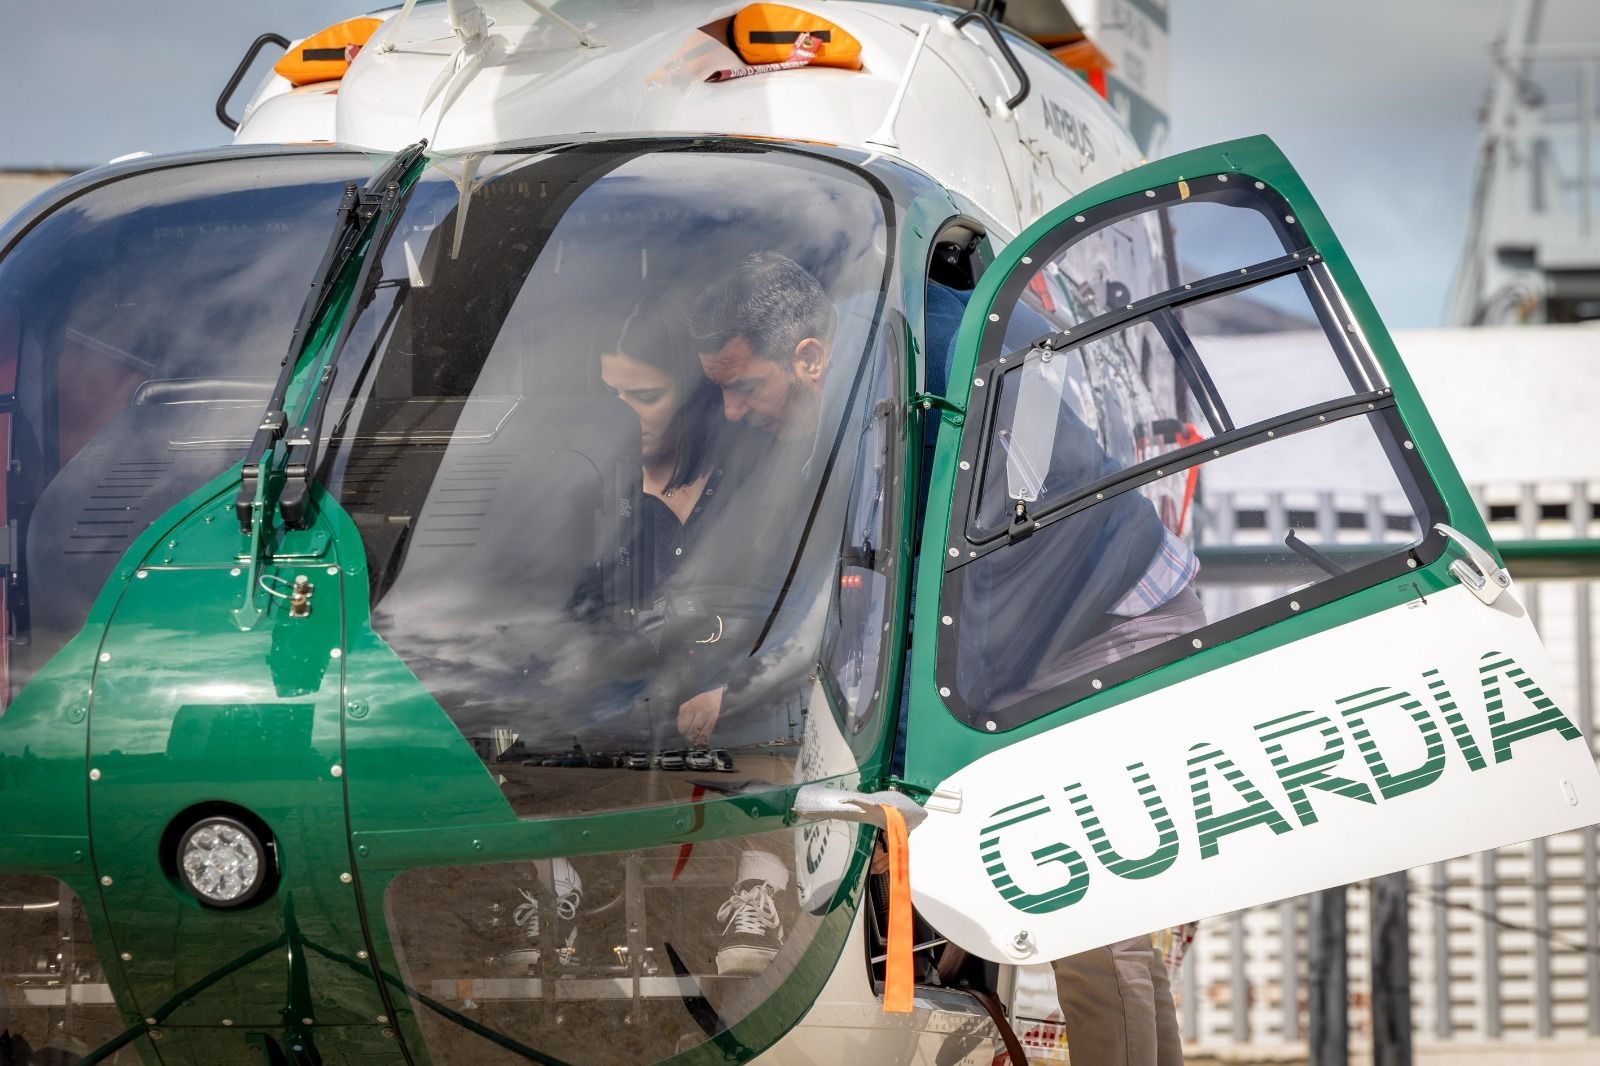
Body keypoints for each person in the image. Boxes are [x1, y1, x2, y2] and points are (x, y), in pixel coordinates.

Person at [924, 279, 1191, 1066]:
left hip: (1112, 619)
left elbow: (978, 602)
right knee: (1105, 925)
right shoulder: (955, 334)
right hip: (1078, 613)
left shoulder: (939, 366)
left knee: (1090, 906)